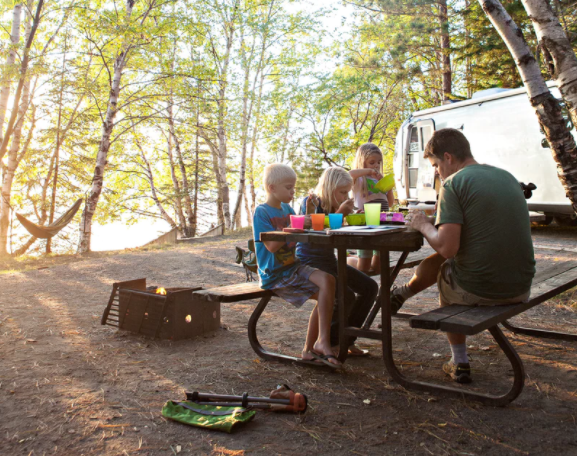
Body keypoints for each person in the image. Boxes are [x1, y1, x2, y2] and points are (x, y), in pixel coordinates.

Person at [392, 128, 535, 383]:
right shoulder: (506, 176)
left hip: (482, 289)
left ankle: (459, 362)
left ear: (448, 157)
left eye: (436, 164)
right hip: (521, 287)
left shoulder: (454, 183)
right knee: (447, 263)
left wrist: (422, 224)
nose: (436, 171)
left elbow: (447, 248)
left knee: (446, 267)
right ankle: (403, 293)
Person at [252, 163, 341, 368]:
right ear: (272, 188)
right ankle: (314, 346)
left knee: (329, 280)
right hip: (275, 274)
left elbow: (299, 237)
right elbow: (272, 246)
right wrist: (293, 227)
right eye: (288, 187)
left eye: (293, 187)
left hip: (293, 266)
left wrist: (308, 215)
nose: (292, 192)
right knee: (325, 292)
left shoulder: (288, 208)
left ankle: (319, 343)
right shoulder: (262, 212)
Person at [297, 167, 379, 356]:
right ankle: (331, 343)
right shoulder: (311, 203)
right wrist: (340, 214)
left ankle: (346, 340)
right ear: (328, 188)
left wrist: (351, 216)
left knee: (369, 287)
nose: (345, 196)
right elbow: (315, 232)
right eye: (342, 192)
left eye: (347, 192)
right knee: (346, 295)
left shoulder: (335, 206)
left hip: (330, 260)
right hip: (310, 261)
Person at [349, 143, 395, 274]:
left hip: (382, 225)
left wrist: (389, 188)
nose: (376, 166)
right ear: (362, 162)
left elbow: (390, 203)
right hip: (366, 227)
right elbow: (348, 175)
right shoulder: (359, 180)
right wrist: (368, 171)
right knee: (363, 267)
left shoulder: (380, 181)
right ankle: (347, 261)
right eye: (372, 162)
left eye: (378, 163)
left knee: (378, 267)